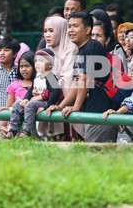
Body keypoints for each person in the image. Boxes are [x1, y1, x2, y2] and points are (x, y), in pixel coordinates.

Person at [47, 12, 120, 143]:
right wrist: (61, 106)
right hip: (90, 113)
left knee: (98, 158)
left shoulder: (92, 46)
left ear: (87, 29)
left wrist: (75, 107)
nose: (70, 30)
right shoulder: (81, 50)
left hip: (101, 114)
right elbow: (76, 82)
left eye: (75, 26)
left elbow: (84, 78)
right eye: (69, 26)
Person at [9, 48, 60, 139]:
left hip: (45, 103)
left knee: (30, 105)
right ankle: (13, 129)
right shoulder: (37, 76)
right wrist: (25, 99)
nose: (37, 63)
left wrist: (46, 106)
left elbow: (55, 92)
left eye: (41, 61)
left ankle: (26, 130)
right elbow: (30, 90)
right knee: (17, 104)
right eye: (36, 61)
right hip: (35, 102)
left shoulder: (51, 76)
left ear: (50, 65)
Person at [0, 52, 36, 138]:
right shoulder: (14, 85)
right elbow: (9, 107)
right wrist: (3, 125)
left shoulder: (39, 83)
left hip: (36, 125)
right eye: (21, 67)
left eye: (27, 66)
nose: (24, 69)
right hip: (17, 128)